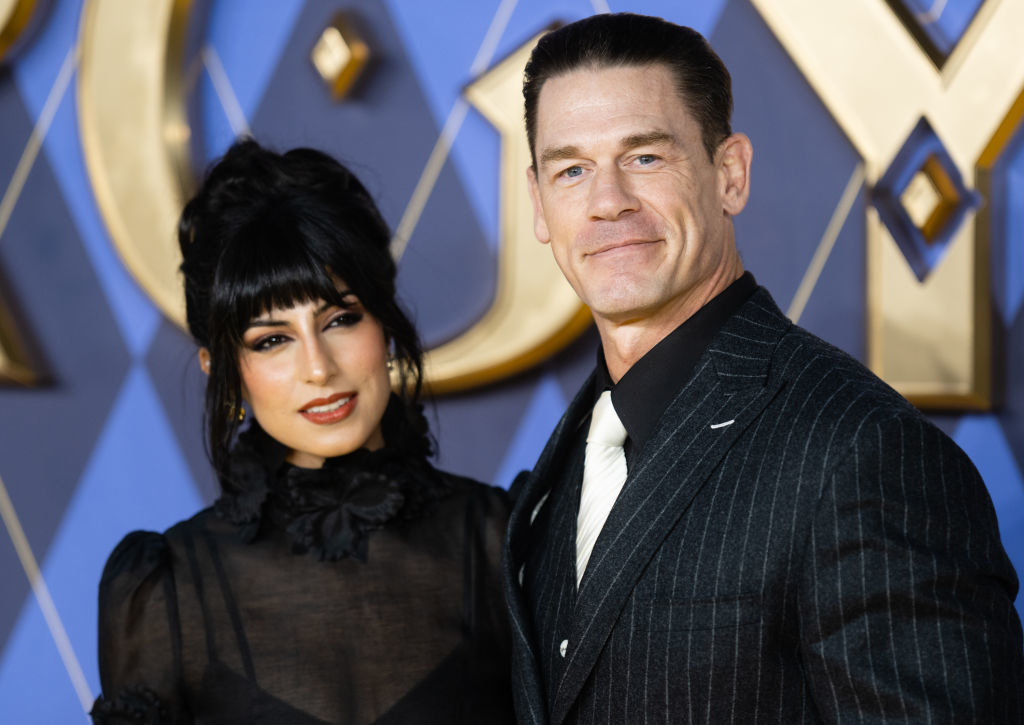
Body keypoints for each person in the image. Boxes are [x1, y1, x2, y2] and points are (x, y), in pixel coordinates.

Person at [503, 13, 1024, 724]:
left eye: (646, 158)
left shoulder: (862, 451)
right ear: (538, 203)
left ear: (730, 175)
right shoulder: (564, 463)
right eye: (572, 170)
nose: (607, 202)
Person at [90, 139, 515, 724]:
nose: (318, 367)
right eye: (272, 339)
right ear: (224, 371)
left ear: (384, 324)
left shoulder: (505, 540)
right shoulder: (164, 591)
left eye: (341, 319)